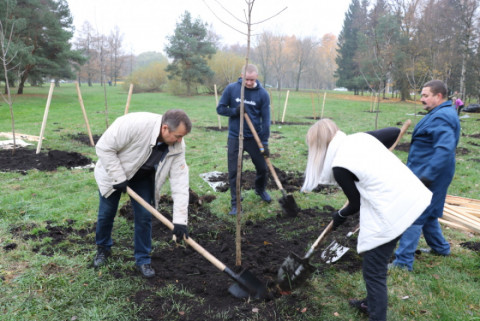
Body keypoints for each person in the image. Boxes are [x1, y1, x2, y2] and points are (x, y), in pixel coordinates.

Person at [301, 119, 432, 321]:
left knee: (374, 269)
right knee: (373, 259)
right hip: (407, 195)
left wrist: (339, 216)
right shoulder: (361, 139)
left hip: (394, 207)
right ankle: (370, 303)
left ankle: (377, 316)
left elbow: (355, 205)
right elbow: (393, 131)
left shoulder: (339, 166)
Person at [92, 109, 192, 278]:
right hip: (113, 172)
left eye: (182, 137)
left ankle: (143, 259)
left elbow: (180, 182)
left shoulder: (177, 146)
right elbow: (104, 147)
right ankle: (103, 249)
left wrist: (180, 220)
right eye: (178, 136)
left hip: (143, 177)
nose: (180, 141)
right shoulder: (135, 124)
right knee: (106, 214)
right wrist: (118, 177)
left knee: (145, 216)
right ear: (165, 128)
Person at [391, 80, 460, 271]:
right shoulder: (442, 112)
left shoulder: (442, 117)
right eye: (422, 95)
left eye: (425, 95)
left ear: (438, 96)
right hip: (431, 172)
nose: (422, 99)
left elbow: (444, 149)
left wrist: (427, 176)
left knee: (414, 214)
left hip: (431, 174)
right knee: (428, 214)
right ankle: (441, 248)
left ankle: (403, 263)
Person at [216, 64, 271, 215]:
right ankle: (236, 203)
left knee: (262, 168)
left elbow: (266, 120)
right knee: (234, 171)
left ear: (257, 77)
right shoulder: (232, 89)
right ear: (241, 76)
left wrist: (264, 142)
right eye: (246, 79)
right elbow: (220, 109)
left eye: (252, 80)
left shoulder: (263, 94)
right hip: (235, 137)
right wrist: (235, 111)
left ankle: (260, 190)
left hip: (254, 138)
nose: (248, 82)